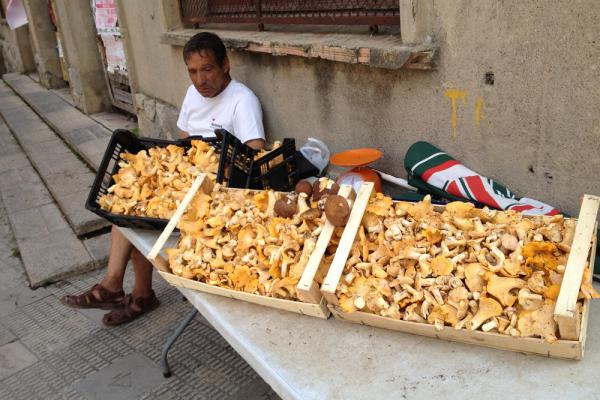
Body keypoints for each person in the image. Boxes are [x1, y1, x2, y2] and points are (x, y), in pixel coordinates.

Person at [60, 32, 266, 325]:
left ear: (225, 65)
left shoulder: (241, 100)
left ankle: (120, 288)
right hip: (184, 179)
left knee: (131, 212)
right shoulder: (193, 94)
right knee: (126, 202)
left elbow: (255, 150)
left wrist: (216, 167)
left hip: (216, 193)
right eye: (193, 72)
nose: (200, 80)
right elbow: (184, 140)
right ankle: (130, 291)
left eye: (207, 69)